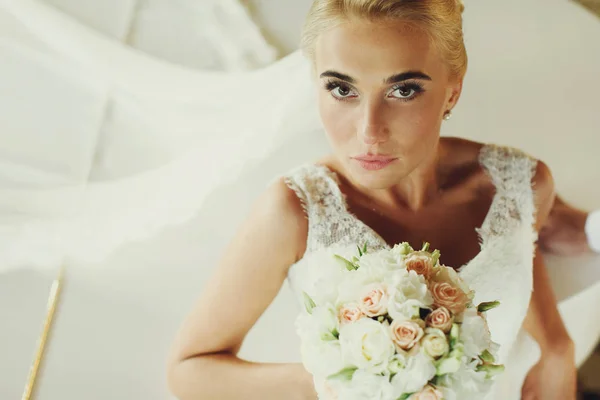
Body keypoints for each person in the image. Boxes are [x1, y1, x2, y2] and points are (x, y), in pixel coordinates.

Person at [166, 1, 584, 399]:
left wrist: (557, 345)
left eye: (403, 90)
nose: (369, 131)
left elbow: (515, 253)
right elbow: (189, 369)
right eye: (341, 88)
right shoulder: (294, 211)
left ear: (453, 90)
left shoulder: (519, 185)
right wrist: (336, 383)